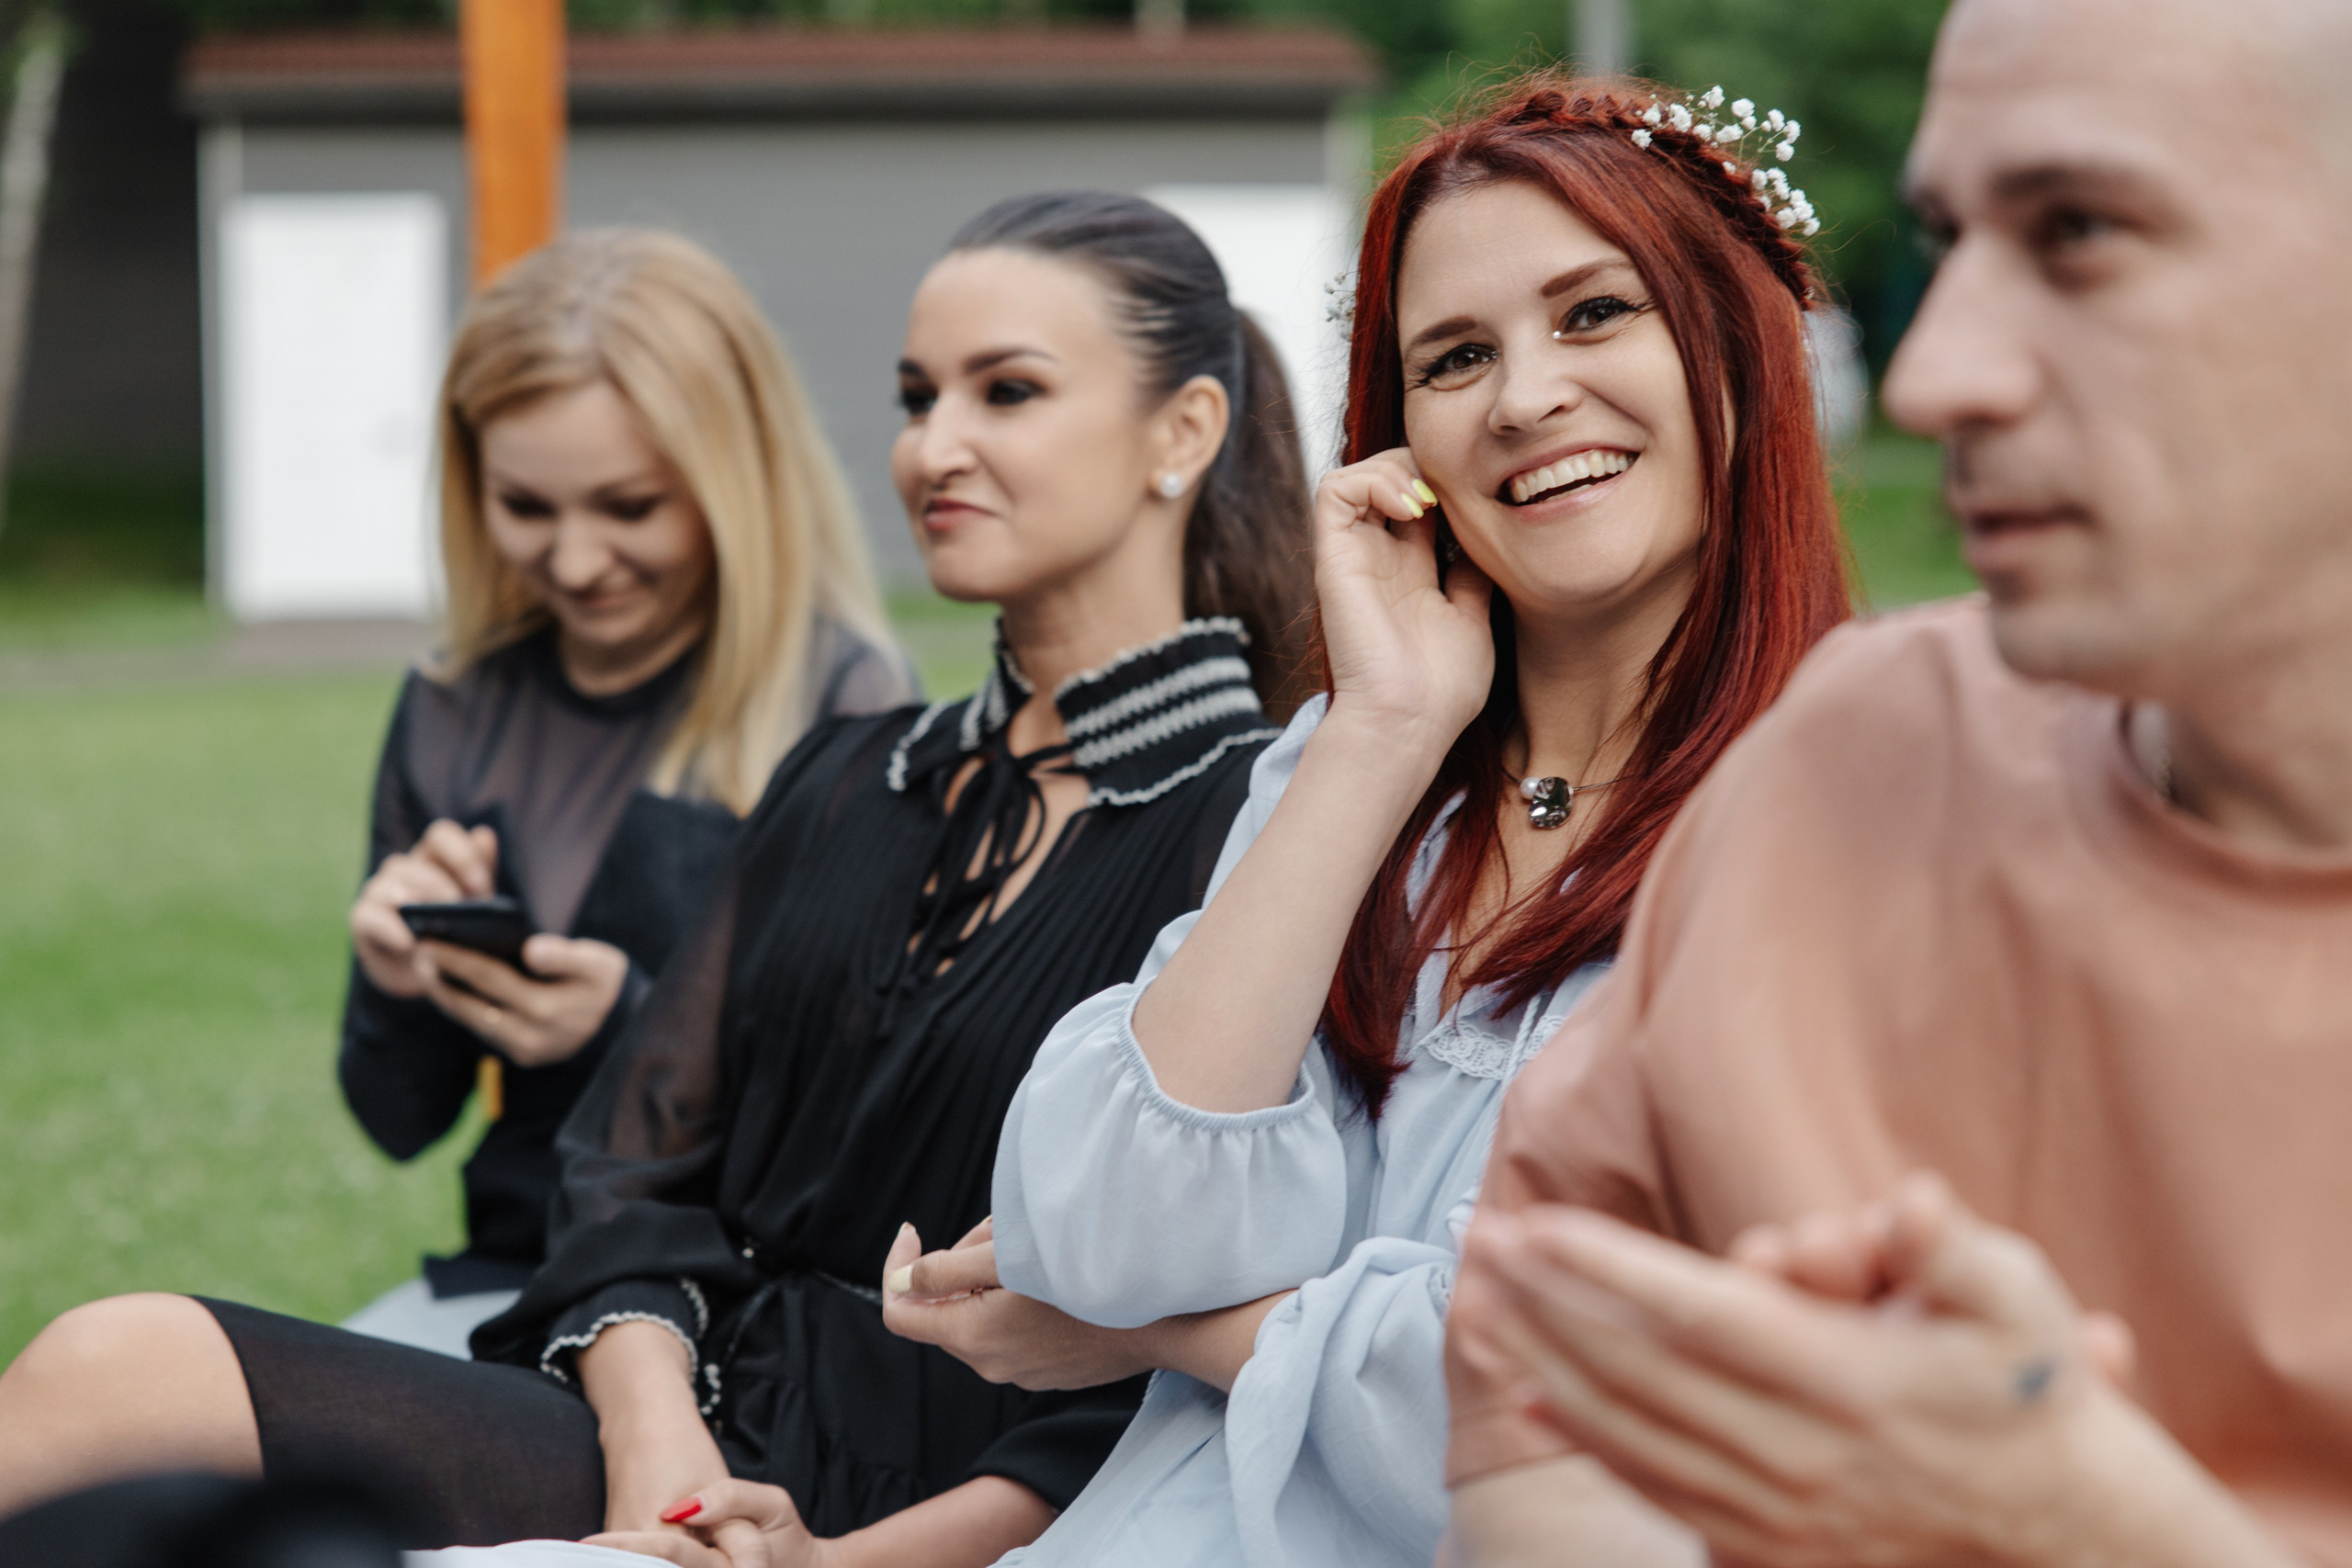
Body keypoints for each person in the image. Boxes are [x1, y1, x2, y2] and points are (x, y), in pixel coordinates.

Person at [0, 190, 1315, 1566]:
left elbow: (1163, 1356)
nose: (936, 443)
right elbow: (627, 1170)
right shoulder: (847, 773)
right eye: (918, 394)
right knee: (120, 1362)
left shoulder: (1264, 820)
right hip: (696, 1429)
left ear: (1186, 431)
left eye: (1009, 391)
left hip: (946, 1504)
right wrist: (655, 1445)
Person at [845, 76, 1853, 1568]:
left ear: (1738, 346)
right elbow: (1107, 1218)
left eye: (1593, 315)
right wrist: (1383, 730)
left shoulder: (1848, 807)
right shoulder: (1355, 765)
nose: (1523, 399)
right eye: (1455, 356)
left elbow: (1596, 1411)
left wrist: (1178, 1329)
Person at [1442, 2, 2352, 1564]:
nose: (1934, 377)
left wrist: (2089, 1531)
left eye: (2079, 231)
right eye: (1949, 236)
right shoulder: (1853, 753)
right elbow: (1525, 1399)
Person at [339, 228, 912, 1355]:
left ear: (732, 481)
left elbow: (857, 1132)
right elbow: (395, 1119)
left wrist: (624, 1028)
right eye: (527, 507)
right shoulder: (456, 707)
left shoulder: (847, 704)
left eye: (630, 507)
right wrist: (391, 985)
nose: (577, 560)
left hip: (743, 1305)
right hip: (505, 1280)